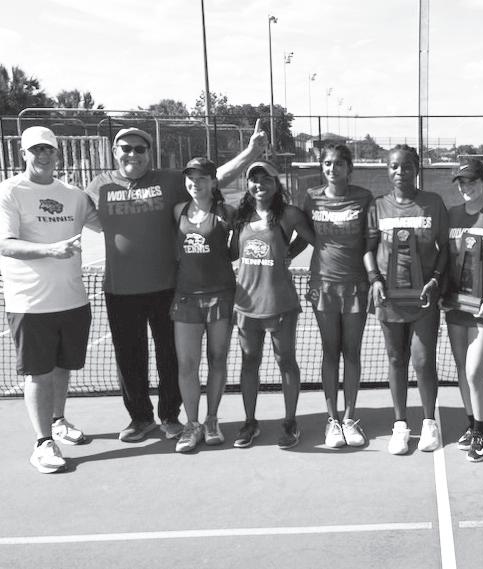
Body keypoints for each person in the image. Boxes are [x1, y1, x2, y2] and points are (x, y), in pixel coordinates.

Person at [84, 121, 266, 443]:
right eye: (126, 148)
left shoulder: (169, 182)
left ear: (149, 153)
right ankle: (141, 418)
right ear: (114, 151)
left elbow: (213, 179)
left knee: (171, 358)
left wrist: (250, 152)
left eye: (140, 149)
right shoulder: (98, 186)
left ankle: (170, 416)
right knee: (129, 359)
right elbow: (70, 213)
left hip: (168, 287)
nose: (133, 154)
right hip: (120, 289)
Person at [0, 126, 99, 472]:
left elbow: (108, 224)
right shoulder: (9, 191)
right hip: (30, 304)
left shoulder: (74, 195)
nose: (43, 155)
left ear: (57, 154)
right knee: (38, 374)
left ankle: (58, 421)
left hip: (72, 300)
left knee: (62, 368)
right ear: (23, 154)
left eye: (48, 149)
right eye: (36, 150)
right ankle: (43, 443)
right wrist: (50, 250)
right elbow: (5, 244)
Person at [366, 144, 449, 455]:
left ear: (417, 169)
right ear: (387, 170)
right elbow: (368, 249)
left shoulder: (433, 203)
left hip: (424, 299)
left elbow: (445, 248)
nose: (400, 171)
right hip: (388, 298)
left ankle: (429, 422)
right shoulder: (378, 206)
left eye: (407, 166)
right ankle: (400, 424)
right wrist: (375, 279)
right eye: (394, 166)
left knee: (423, 361)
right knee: (395, 359)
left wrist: (435, 279)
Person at [231, 161, 316, 450]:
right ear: (248, 185)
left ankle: (290, 422)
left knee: (286, 362)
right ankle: (249, 422)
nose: (260, 184)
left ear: (277, 184)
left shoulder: (289, 215)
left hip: (280, 303)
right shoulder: (241, 216)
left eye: (266, 179)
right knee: (249, 363)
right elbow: (232, 251)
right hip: (246, 304)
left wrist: (289, 251)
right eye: (254, 179)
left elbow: (312, 239)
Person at [298, 144, 372, 448]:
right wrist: (284, 254)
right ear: (322, 167)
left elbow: (371, 240)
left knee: (351, 351)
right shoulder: (311, 197)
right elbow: (304, 232)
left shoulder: (364, 198)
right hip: (323, 286)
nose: (332, 168)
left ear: (349, 168)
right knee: (330, 351)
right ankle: (332, 421)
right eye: (327, 163)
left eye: (339, 163)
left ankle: (350, 419)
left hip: (356, 285)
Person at [443, 158, 483, 462]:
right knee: (461, 369)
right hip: (455, 306)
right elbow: (445, 259)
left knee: (474, 371)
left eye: (472, 181)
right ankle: (471, 424)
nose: (466, 187)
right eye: (462, 182)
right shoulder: (452, 215)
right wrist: (443, 293)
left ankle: (482, 430)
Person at [171, 157, 237, 453]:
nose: (195, 183)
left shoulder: (227, 213)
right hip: (186, 298)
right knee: (187, 364)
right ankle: (192, 424)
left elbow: (238, 247)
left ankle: (211, 420)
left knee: (217, 359)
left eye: (201, 178)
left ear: (213, 182)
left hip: (221, 296)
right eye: (191, 178)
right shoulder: (178, 211)